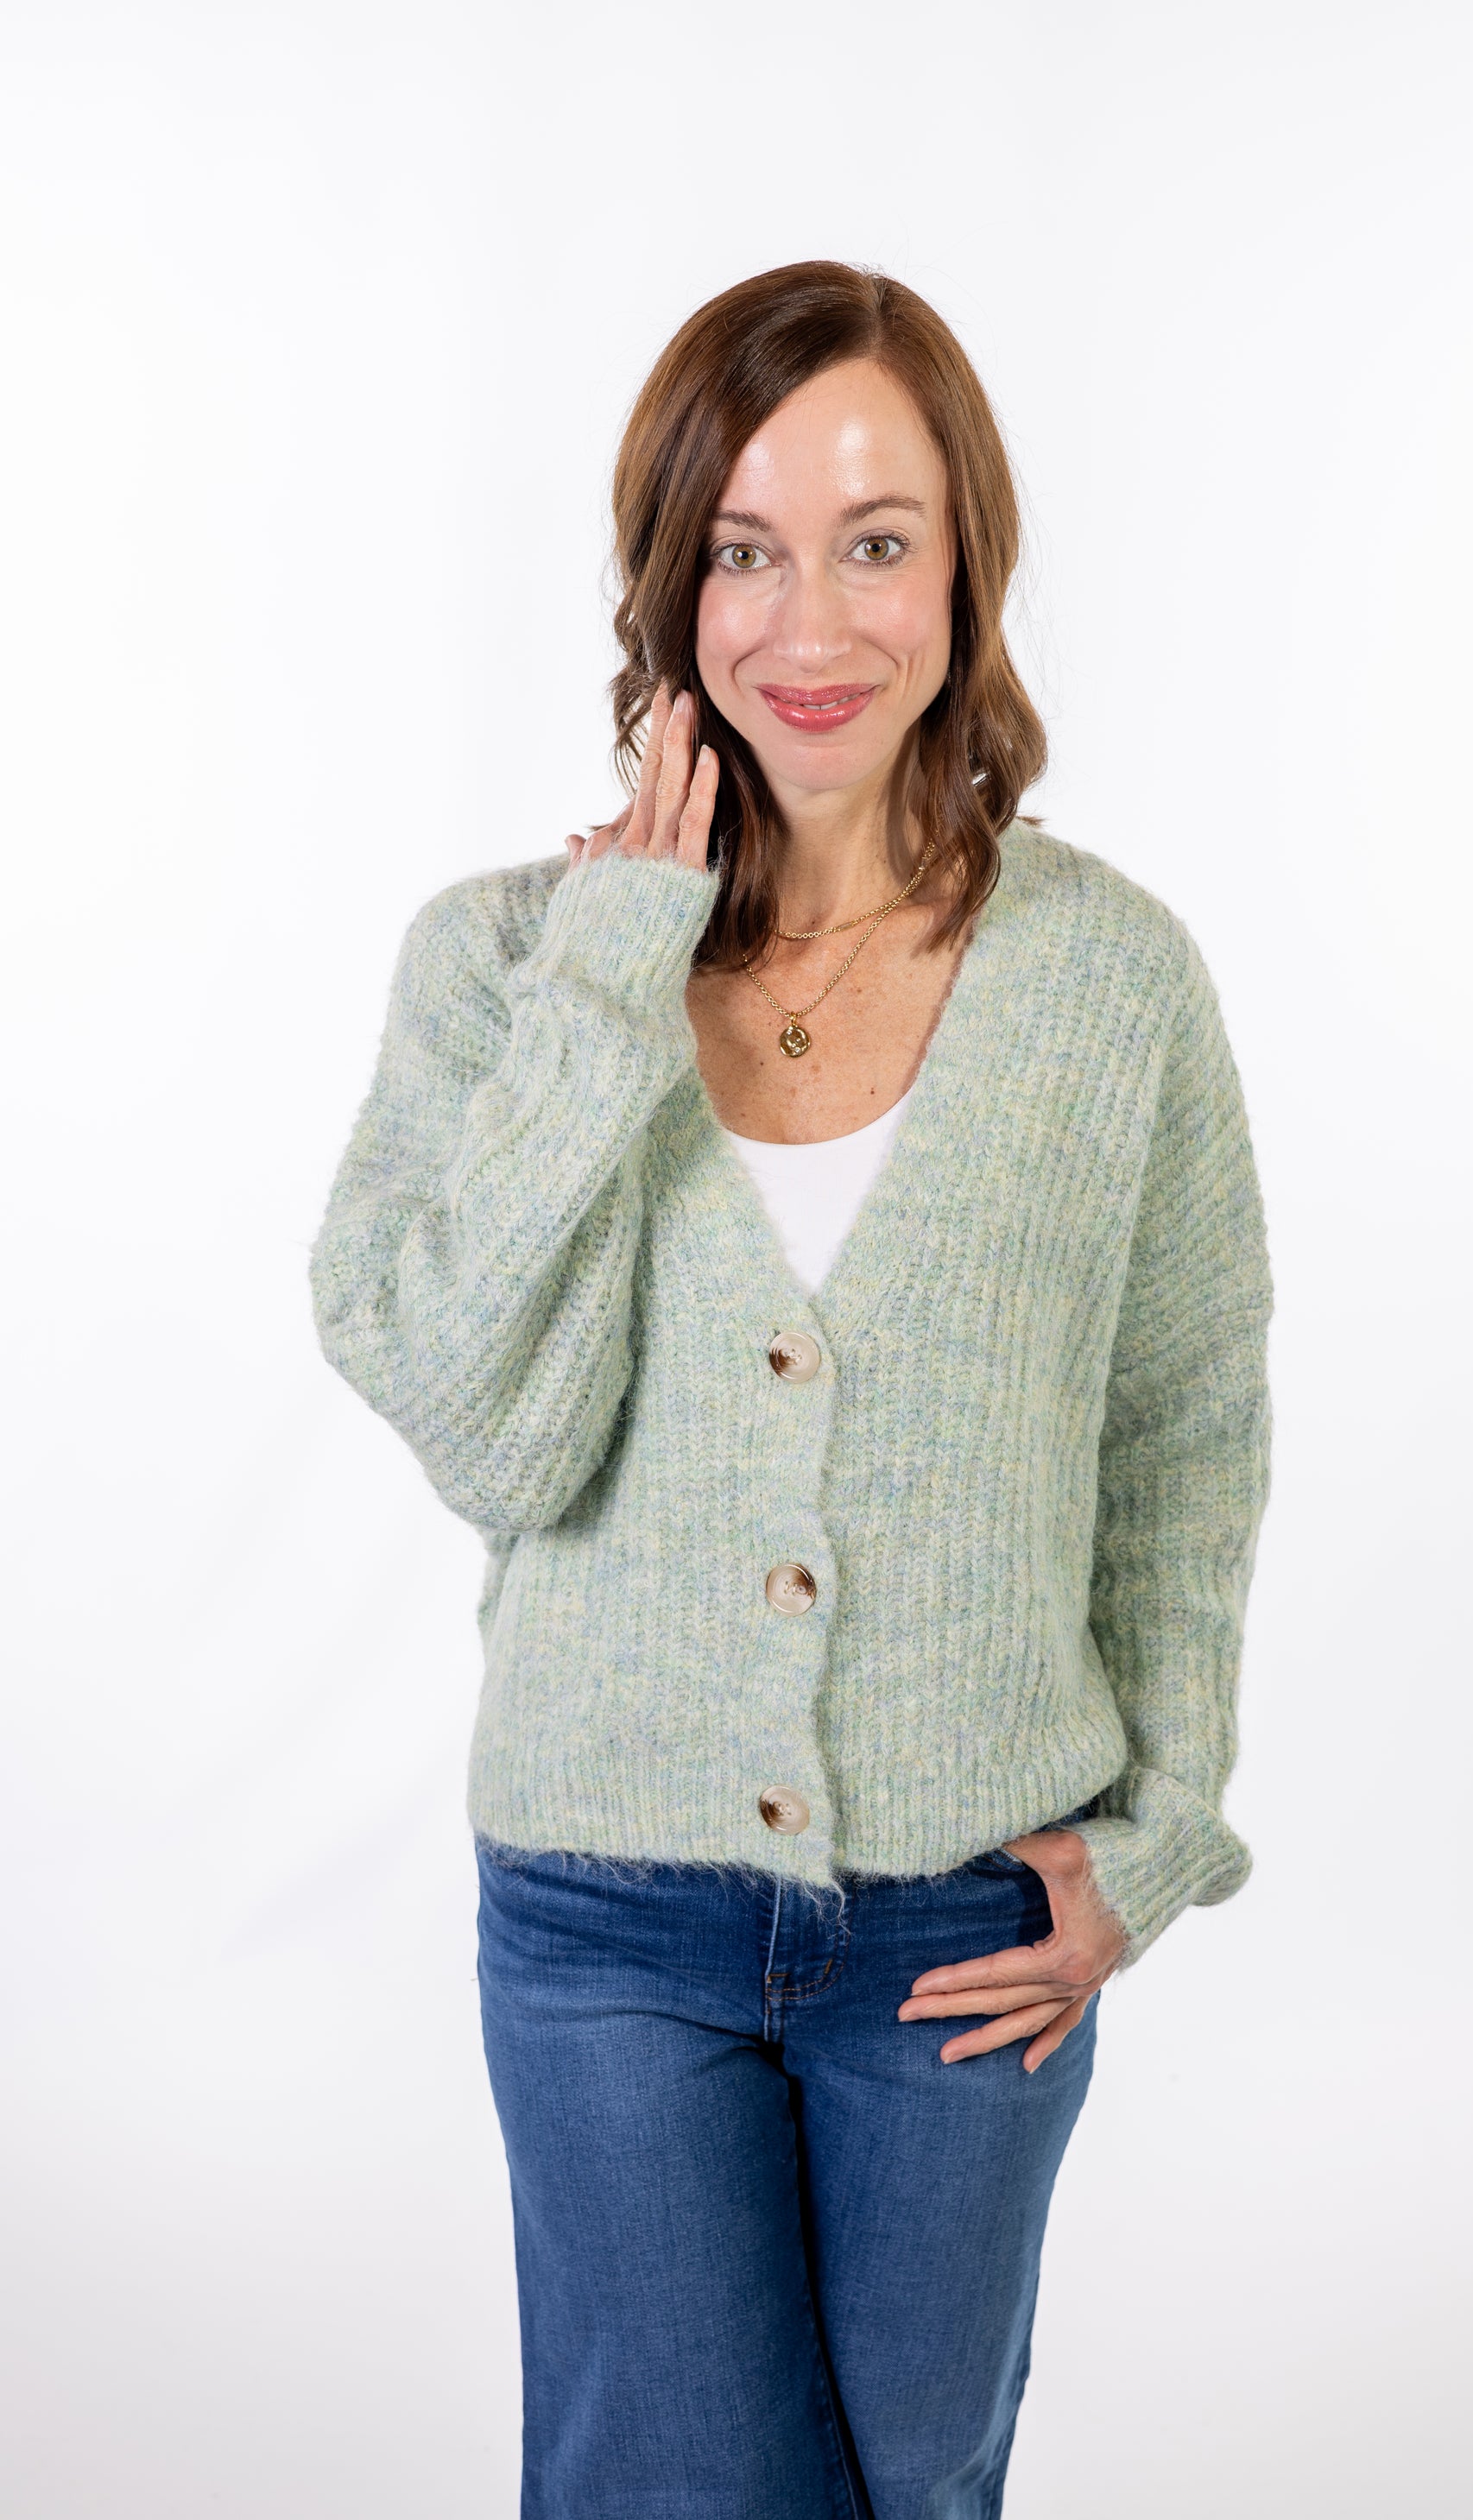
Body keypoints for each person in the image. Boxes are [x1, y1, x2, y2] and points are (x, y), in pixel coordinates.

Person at [309, 260, 1274, 2520]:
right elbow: (487, 1426)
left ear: (966, 569)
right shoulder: (499, 968)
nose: (807, 618)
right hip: (605, 1908)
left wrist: (1157, 1836)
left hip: (972, 1925)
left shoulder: (1108, 978)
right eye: (741, 547)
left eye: (873, 538)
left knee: (914, 2493)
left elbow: (1181, 1437)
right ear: (668, 582)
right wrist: (608, 979)